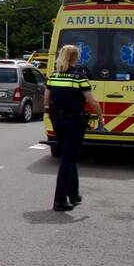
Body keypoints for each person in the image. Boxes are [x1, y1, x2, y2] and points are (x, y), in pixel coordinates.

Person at [44, 44, 104, 212]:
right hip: (74, 121)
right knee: (67, 161)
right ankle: (59, 201)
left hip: (57, 120)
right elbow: (92, 102)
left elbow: (46, 100)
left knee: (69, 156)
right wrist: (100, 118)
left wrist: (51, 113)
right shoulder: (79, 77)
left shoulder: (54, 76)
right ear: (75, 58)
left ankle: (74, 194)